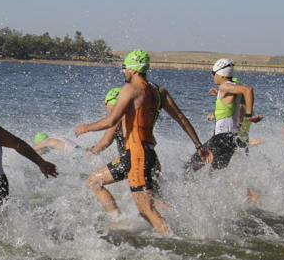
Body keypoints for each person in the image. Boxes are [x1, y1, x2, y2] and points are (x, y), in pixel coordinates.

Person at [74, 50, 208, 232]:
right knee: (93, 182)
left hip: (138, 156)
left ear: (134, 70)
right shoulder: (159, 92)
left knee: (146, 211)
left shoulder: (131, 89)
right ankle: (118, 220)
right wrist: (198, 145)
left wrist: (86, 127)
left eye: (124, 68)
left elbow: (112, 120)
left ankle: (174, 240)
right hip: (140, 154)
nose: (123, 71)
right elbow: (182, 119)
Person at [188, 59, 264, 171]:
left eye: (213, 74)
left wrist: (249, 115)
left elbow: (248, 90)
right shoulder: (231, 87)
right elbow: (238, 102)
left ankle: (183, 188)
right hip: (231, 139)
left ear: (220, 74)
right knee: (215, 175)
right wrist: (219, 94)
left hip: (221, 138)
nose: (213, 76)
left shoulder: (224, 87)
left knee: (189, 166)